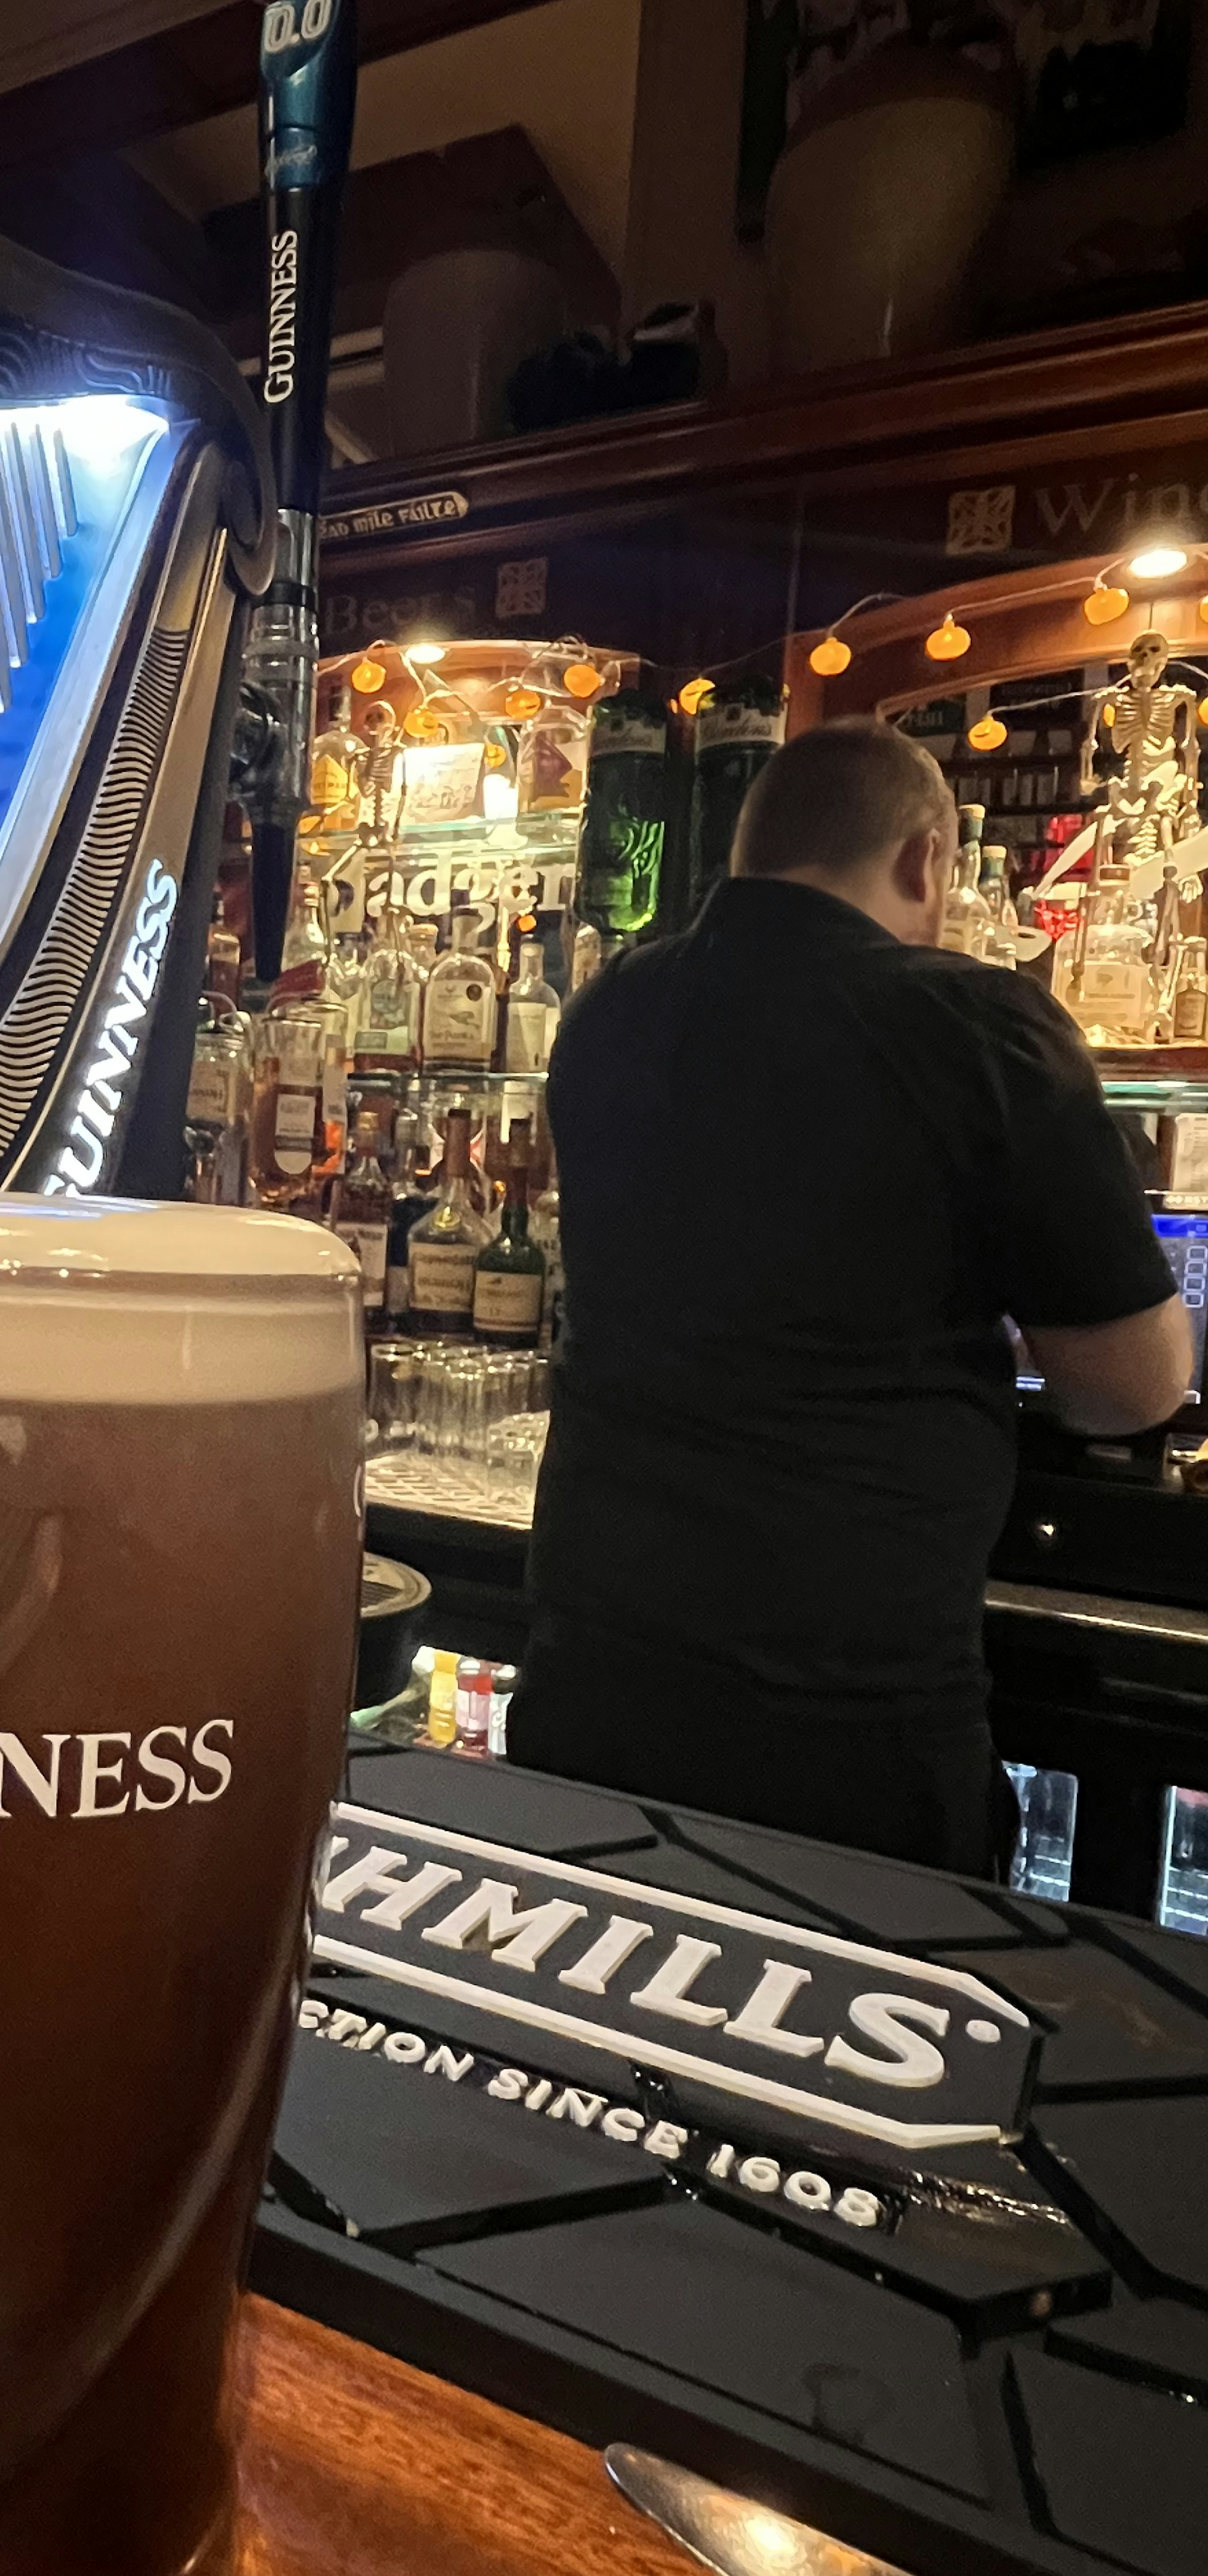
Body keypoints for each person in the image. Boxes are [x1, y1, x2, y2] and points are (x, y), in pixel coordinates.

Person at [509, 719, 1193, 1874]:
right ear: (930, 862)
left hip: (592, 1680)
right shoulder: (982, 1025)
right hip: (846, 1722)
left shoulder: (606, 1015)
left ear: (743, 852)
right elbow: (1133, 1387)